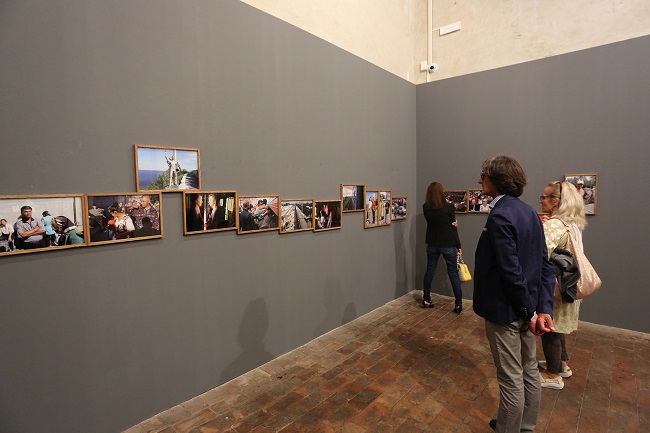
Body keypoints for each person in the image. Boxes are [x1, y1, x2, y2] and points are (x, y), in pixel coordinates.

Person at [473, 155, 556, 433]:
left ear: (496, 180)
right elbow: (544, 264)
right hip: (526, 307)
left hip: (507, 310)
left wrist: (530, 313)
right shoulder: (529, 212)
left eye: (483, 176)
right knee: (529, 370)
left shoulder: (500, 215)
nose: (480, 180)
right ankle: (525, 427)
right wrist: (541, 309)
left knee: (511, 379)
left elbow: (511, 273)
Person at [538, 181, 587, 390]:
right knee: (559, 327)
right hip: (568, 283)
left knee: (550, 327)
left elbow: (541, 256)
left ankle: (552, 374)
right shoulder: (572, 224)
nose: (540, 200)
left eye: (544, 197)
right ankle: (562, 364)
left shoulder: (553, 225)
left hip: (554, 285)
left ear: (555, 201)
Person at [422, 182, 463, 312]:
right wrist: (458, 245)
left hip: (432, 244)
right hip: (448, 243)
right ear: (441, 192)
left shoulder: (425, 208)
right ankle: (458, 304)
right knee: (453, 274)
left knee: (430, 271)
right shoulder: (449, 207)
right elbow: (453, 228)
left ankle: (426, 299)